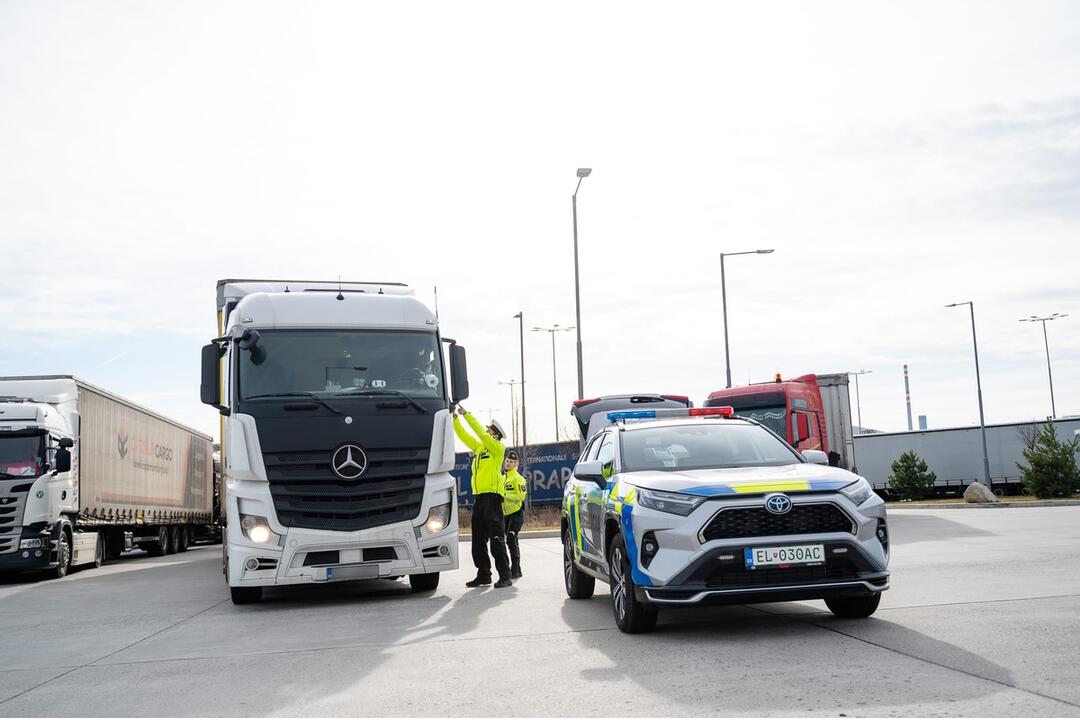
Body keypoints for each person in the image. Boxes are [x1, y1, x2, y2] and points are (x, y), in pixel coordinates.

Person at [453, 404, 512, 588]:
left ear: (495, 435)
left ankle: (505, 575)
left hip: (493, 499)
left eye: (488, 430)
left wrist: (466, 414)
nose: (485, 431)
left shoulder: (497, 448)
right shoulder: (480, 448)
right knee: (477, 540)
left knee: (496, 539)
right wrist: (454, 418)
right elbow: (464, 436)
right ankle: (484, 574)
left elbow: (480, 434)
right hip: (479, 498)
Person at [502, 450, 527, 579]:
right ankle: (517, 568)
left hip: (517, 513)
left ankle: (515, 570)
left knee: (511, 538)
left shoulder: (519, 479)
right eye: (507, 461)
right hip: (505, 516)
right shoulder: (502, 479)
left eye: (511, 462)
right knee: (511, 541)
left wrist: (505, 495)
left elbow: (521, 496)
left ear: (516, 464)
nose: (508, 463)